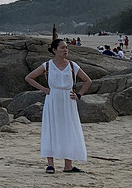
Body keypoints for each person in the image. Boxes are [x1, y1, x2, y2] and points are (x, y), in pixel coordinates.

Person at [25, 38, 92, 173]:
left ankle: (68, 164)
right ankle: (50, 164)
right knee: (51, 128)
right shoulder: (47, 65)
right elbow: (29, 77)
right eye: (62, 48)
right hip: (53, 99)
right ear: (54, 50)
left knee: (68, 129)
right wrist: (44, 89)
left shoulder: (73, 65)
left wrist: (79, 95)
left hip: (68, 101)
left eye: (66, 48)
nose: (65, 50)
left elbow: (88, 81)